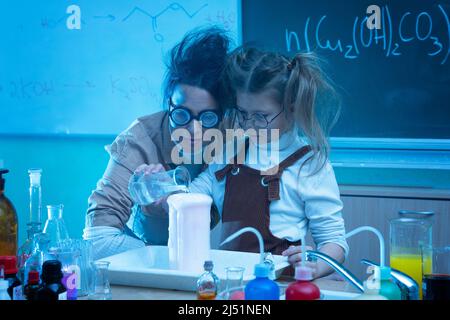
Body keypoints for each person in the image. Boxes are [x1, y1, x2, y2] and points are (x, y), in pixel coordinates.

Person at [188, 47, 349, 279]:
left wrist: (316, 264)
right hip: (230, 282)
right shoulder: (230, 151)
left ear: (292, 109)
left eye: (261, 116)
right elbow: (194, 195)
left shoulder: (311, 166)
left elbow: (335, 243)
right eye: (243, 113)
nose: (249, 124)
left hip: (281, 288)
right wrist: (166, 191)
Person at [83, 27, 232, 260]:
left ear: (223, 115)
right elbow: (96, 238)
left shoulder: (236, 137)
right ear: (168, 103)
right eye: (182, 115)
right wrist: (156, 221)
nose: (194, 131)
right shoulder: (138, 142)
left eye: (208, 118)